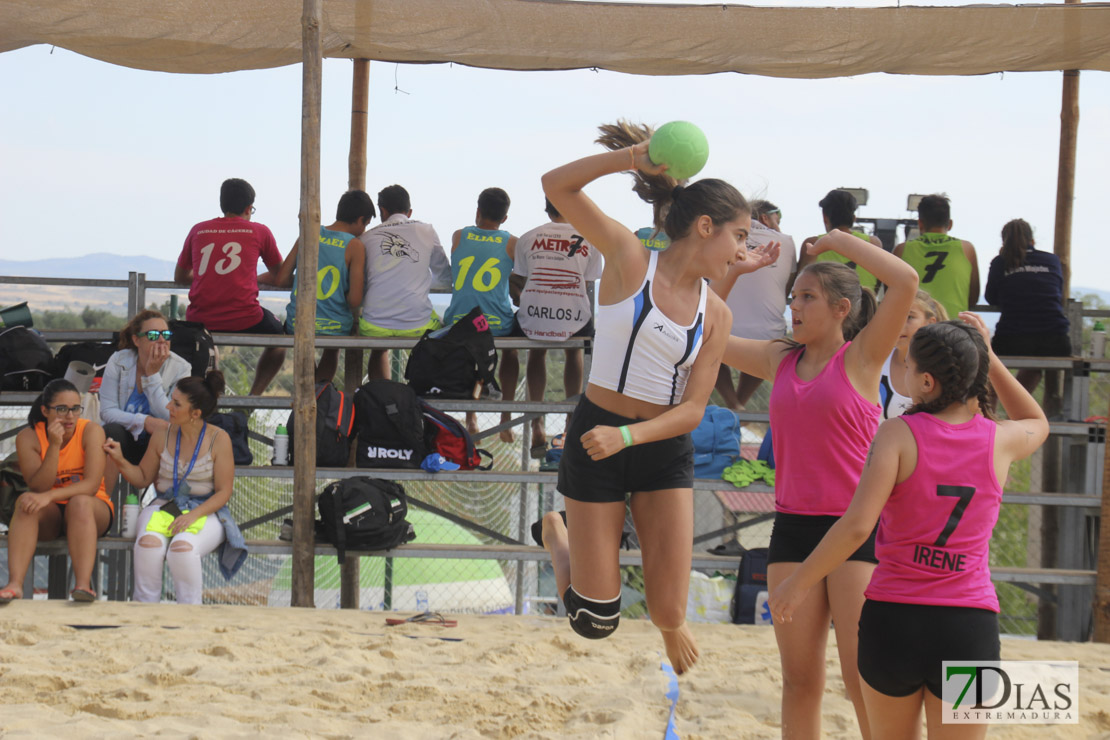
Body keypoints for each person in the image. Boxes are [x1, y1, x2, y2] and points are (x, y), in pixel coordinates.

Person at [536, 120, 776, 675]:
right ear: (706, 226)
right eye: (740, 236)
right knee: (594, 620)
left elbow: (693, 409)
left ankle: (671, 628)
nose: (745, 249)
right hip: (598, 437)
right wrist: (632, 158)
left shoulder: (716, 312)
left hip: (658, 446)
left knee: (669, 611)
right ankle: (556, 533)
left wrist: (631, 436)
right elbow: (556, 186)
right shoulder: (629, 259)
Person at [769, 315, 1049, 740]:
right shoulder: (1000, 440)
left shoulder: (897, 433)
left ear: (926, 382)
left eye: (910, 366)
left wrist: (798, 582)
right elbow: (1037, 419)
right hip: (967, 624)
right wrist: (988, 357)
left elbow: (857, 526)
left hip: (894, 620)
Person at [722, 231, 919, 737]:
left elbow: (905, 280)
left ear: (841, 308)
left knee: (862, 679)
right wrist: (733, 274)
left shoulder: (861, 358)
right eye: (793, 298)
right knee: (800, 680)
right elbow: (707, 334)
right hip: (793, 529)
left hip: (856, 531)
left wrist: (836, 241)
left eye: (807, 297)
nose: (795, 307)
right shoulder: (779, 359)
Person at [104, 371, 247, 604]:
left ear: (195, 413)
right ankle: (145, 612)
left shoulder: (219, 438)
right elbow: (141, 478)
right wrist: (120, 460)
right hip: (165, 504)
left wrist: (193, 515)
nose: (168, 406)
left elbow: (224, 492)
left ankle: (189, 615)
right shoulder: (162, 434)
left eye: (176, 403)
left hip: (205, 509)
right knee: (148, 544)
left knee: (182, 549)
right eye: (171, 399)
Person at [2, 379, 112, 604]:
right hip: (50, 512)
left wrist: (49, 496)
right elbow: (39, 487)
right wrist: (53, 445)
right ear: (45, 410)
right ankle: (15, 584)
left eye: (75, 409)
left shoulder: (91, 431)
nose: (69, 416)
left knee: (79, 502)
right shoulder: (29, 437)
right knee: (25, 501)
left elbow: (91, 485)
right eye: (61, 409)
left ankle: (82, 586)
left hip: (91, 508)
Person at [175, 178, 286, 395]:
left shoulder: (198, 230)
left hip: (201, 319)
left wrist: (210, 277)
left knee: (200, 347)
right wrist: (249, 278)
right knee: (280, 340)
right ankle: (252, 400)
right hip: (246, 317)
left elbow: (180, 276)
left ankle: (205, 402)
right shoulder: (260, 231)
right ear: (248, 208)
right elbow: (281, 276)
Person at [512, 198, 604, 452]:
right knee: (574, 351)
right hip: (574, 317)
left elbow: (519, 277)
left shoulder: (528, 237)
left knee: (536, 351)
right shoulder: (590, 239)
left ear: (546, 208)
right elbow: (586, 283)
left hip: (533, 314)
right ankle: (571, 421)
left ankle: (537, 425)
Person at [443, 187, 520, 440]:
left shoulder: (458, 236)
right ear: (505, 218)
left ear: (478, 211)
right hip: (496, 324)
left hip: (460, 321)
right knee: (510, 350)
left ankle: (470, 418)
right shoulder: (512, 243)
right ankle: (506, 418)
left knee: (469, 347)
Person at [274, 189, 373, 383]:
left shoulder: (309, 234)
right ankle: (320, 391)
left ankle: (309, 387)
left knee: (304, 345)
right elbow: (354, 300)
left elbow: (281, 279)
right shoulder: (355, 246)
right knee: (333, 348)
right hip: (335, 326)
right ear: (361, 219)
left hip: (297, 323)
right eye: (366, 225)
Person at [358, 184, 453, 380]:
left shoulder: (365, 238)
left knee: (379, 349)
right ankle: (422, 390)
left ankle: (382, 395)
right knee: (440, 331)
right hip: (417, 324)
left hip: (374, 325)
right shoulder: (427, 230)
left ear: (382, 211)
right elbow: (444, 276)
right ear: (409, 212)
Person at [712, 199, 797, 411]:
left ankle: (733, 403)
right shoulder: (786, 241)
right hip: (768, 333)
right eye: (779, 219)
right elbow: (786, 286)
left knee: (707, 341)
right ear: (766, 218)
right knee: (767, 338)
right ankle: (740, 402)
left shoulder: (724, 236)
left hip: (722, 331)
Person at [984, 218, 1071, 393]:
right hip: (1056, 340)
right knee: (1035, 364)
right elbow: (1057, 295)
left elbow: (990, 297)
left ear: (1004, 242)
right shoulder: (1052, 260)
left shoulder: (1000, 262)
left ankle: (989, 414)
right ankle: (1020, 409)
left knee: (990, 368)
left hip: (1012, 338)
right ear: (1032, 241)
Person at [100, 309, 192, 468]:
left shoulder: (181, 368)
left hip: (156, 440)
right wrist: (143, 421)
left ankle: (163, 493)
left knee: (164, 435)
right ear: (136, 340)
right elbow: (107, 411)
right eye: (154, 335)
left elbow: (172, 417)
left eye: (166, 335)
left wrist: (152, 376)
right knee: (112, 433)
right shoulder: (118, 360)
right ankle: (103, 493)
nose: (162, 340)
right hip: (124, 437)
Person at [894, 193, 980, 320]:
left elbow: (891, 294)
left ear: (920, 224)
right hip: (954, 327)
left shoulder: (901, 250)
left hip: (915, 327)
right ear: (950, 224)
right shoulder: (967, 249)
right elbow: (973, 297)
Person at [799, 189, 884, 293]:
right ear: (853, 218)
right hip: (865, 307)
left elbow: (801, 286)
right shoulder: (873, 243)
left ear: (825, 217)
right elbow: (882, 280)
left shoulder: (812, 244)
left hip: (826, 308)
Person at [879, 291, 947, 420]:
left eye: (909, 317)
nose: (898, 324)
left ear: (930, 323)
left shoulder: (946, 369)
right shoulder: (876, 361)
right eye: (892, 316)